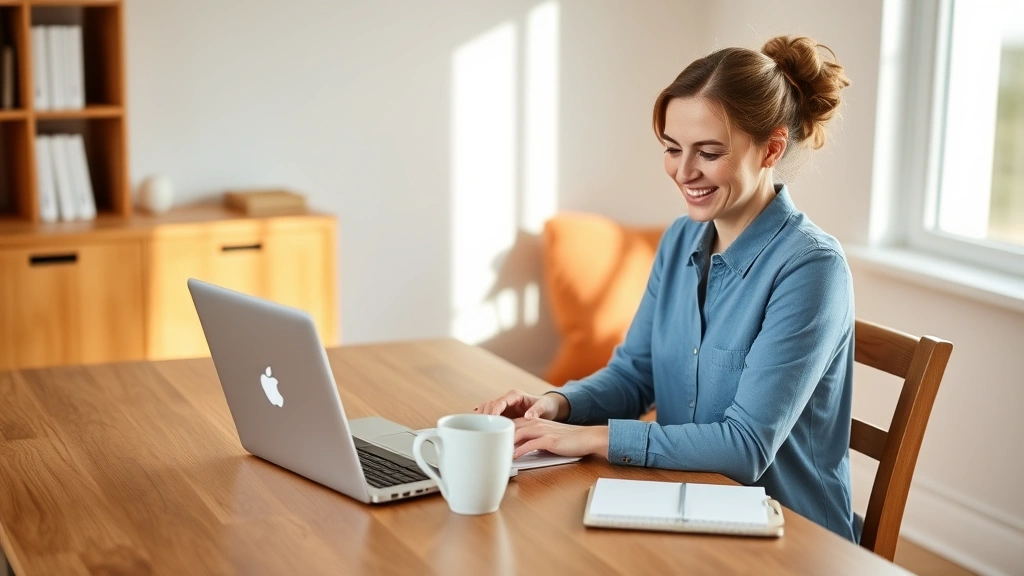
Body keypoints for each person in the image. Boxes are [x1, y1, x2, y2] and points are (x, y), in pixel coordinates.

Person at [475, 35, 857, 541]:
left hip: (792, 538)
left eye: (709, 152)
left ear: (771, 148)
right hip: (681, 505)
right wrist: (556, 406)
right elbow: (635, 376)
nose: (684, 171)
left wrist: (591, 438)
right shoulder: (681, 240)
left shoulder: (812, 268)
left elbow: (744, 449)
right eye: (673, 149)